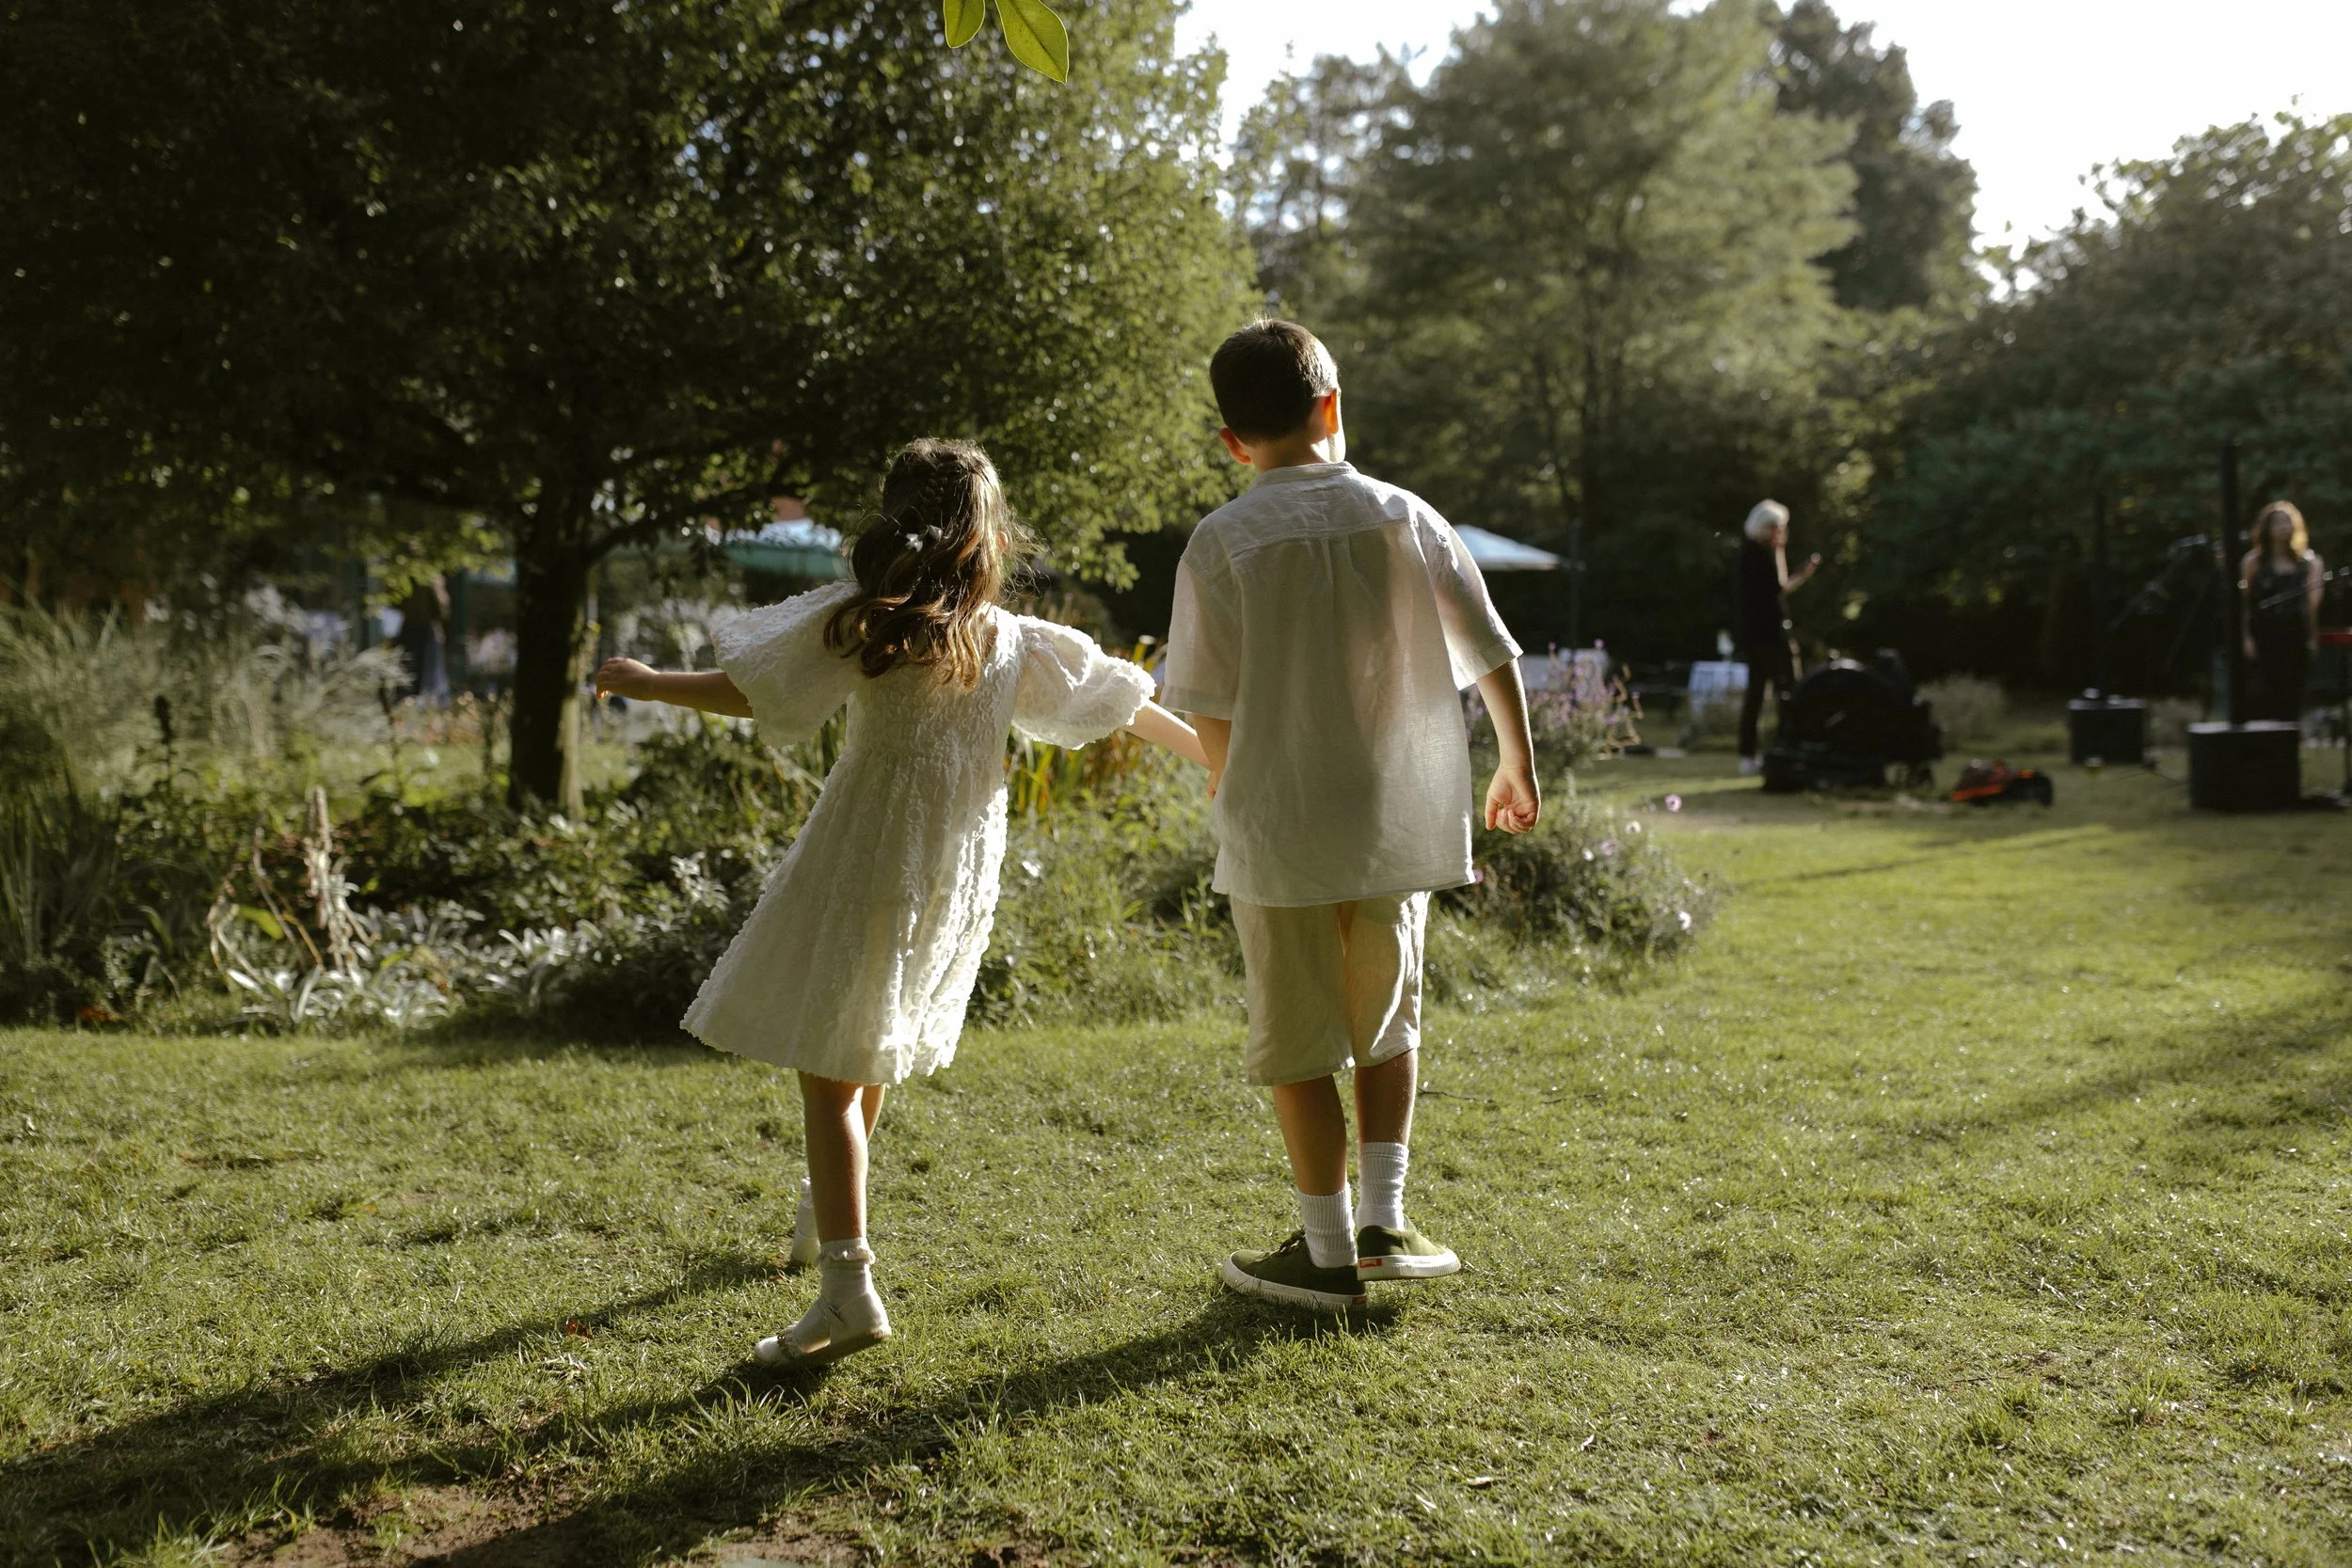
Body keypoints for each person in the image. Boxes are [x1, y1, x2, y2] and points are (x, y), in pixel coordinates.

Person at [594, 438, 1206, 1369]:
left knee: (828, 1067)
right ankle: (822, 1211)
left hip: (866, 852)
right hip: (950, 870)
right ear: (986, 536)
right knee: (863, 1037)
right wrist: (1213, 756)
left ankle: (846, 1288)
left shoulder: (869, 624)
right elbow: (1120, 703)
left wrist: (647, 683)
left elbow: (753, 691)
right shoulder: (1008, 640)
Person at [1164, 320, 1538, 1312]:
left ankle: (1323, 1248)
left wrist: (1225, 779)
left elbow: (1207, 699)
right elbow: (1489, 645)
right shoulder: (1403, 515)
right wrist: (1514, 762)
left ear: (1230, 441)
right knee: (1385, 1013)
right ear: (1333, 407)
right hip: (1390, 815)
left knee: (1294, 1028)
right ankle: (1385, 1220)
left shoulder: (1220, 539)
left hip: (1279, 819)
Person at [1733, 499, 1818, 774]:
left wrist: (1795, 568)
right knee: (1776, 692)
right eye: (1776, 528)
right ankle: (1777, 749)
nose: (1780, 533)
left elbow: (1777, 589)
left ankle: (1778, 749)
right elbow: (1775, 591)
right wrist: (1780, 554)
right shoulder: (1754, 555)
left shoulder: (1757, 553)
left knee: (1771, 692)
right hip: (1765, 635)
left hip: (1763, 634)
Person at [2240, 499, 2324, 725]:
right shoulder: (2253, 562)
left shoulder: (2308, 562)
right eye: (2277, 522)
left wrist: (2312, 638)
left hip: (2295, 633)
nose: (2283, 527)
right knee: (2263, 692)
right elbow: (2245, 603)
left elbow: (2310, 606)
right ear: (2266, 528)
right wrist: (2247, 637)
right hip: (2264, 633)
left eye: (2287, 522)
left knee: (2292, 692)